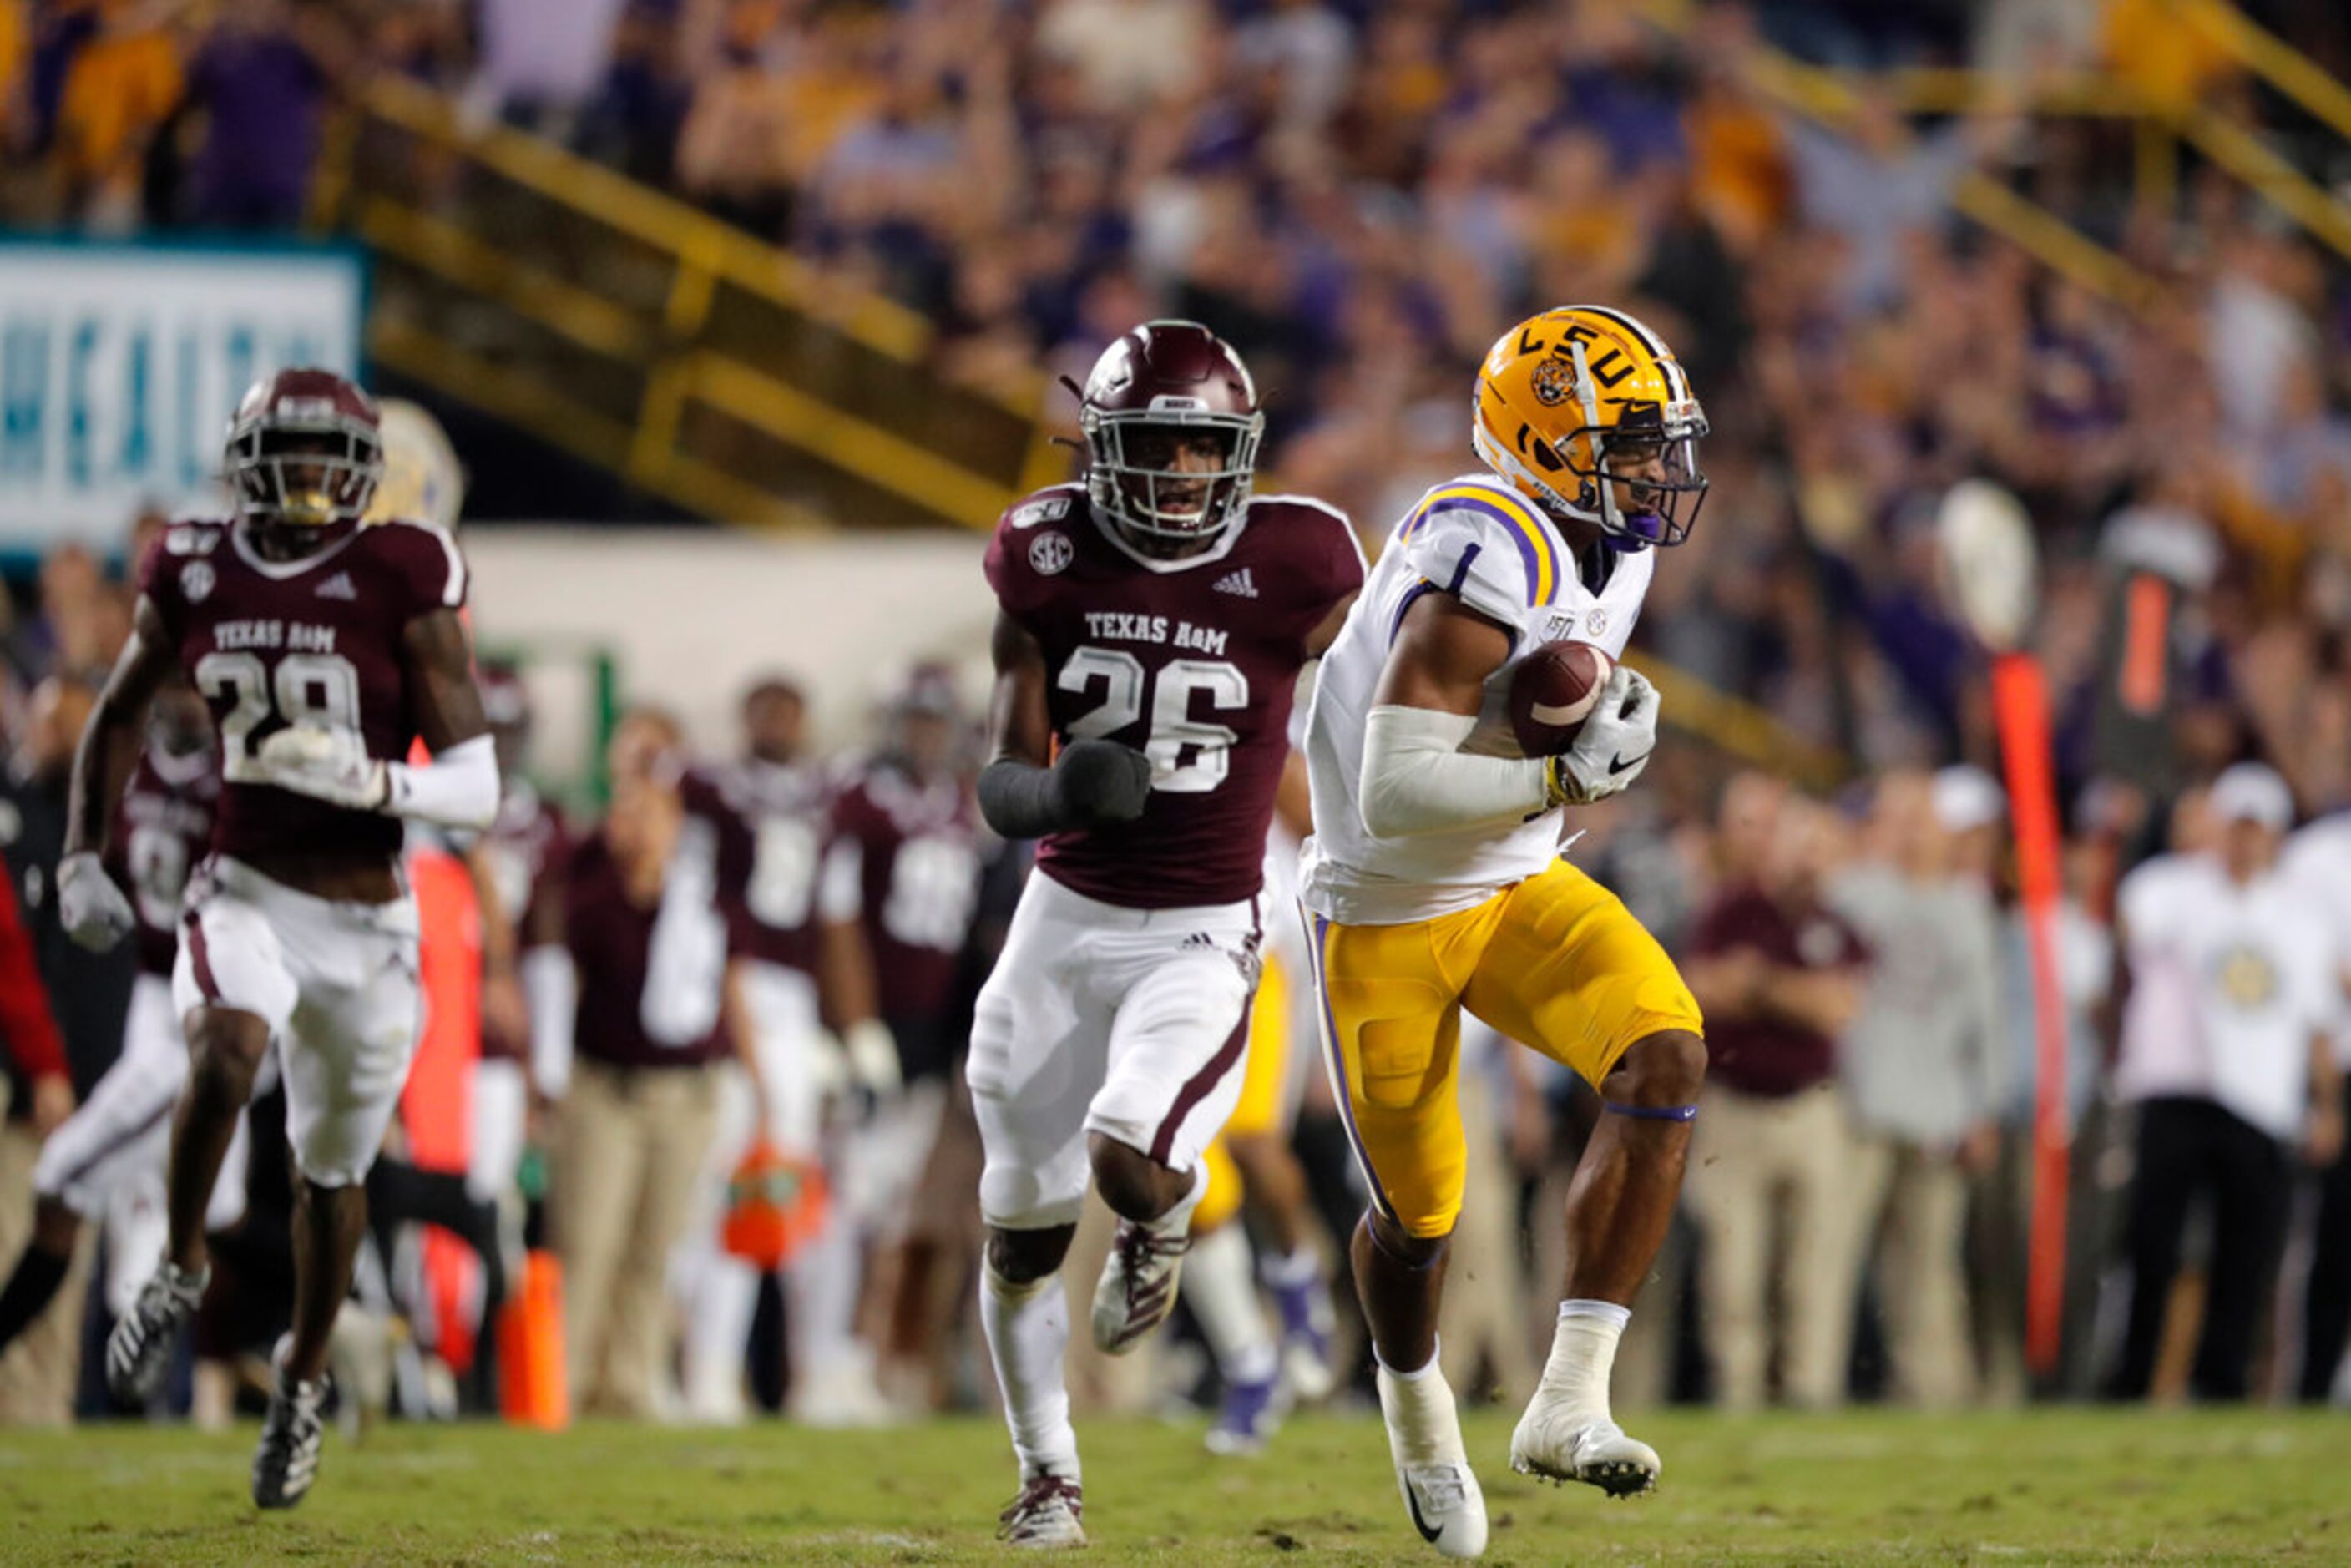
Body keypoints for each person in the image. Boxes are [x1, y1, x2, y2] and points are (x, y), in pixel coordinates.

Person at [1297, 306, 1711, 1558]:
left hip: (1518, 884)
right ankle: (1418, 1409)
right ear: (1544, 439)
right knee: (1420, 1224)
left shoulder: (1611, 541)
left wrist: (1570, 754)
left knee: (1668, 1054)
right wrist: (1566, 776)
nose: (1654, 470)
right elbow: (1397, 788)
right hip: (1389, 909)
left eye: (1660, 442)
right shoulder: (1487, 543)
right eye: (1630, 443)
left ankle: (1569, 1400)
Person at [58, 368, 495, 1505]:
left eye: (322, 458)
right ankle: (180, 1261)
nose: (305, 480)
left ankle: (301, 1374)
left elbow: (478, 785)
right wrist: (79, 854)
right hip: (245, 885)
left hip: (368, 915)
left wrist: (362, 775)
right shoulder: (199, 562)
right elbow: (116, 712)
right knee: (226, 1044)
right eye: (285, 456)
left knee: (331, 1176)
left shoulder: (403, 570)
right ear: (248, 462)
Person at [971, 320, 1362, 1547]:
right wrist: (1064, 790)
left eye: (1206, 446)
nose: (1186, 471)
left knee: (1129, 1147)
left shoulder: (1303, 559)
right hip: (1063, 912)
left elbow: (1394, 687)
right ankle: (1049, 1473)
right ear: (1103, 448)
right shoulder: (1046, 552)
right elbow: (997, 783)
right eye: (1160, 444)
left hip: (1202, 923)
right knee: (1020, 1228)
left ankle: (1164, 1213)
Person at [0, 686, 240, 1366]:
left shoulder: (241, 772)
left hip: (206, 1012)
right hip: (145, 1004)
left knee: (63, 1177)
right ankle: (345, 1323)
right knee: (216, 1217)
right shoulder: (125, 761)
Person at [2107, 762, 2344, 1401]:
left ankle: (2223, 1382)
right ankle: (2133, 1378)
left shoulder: (2301, 918)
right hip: (2177, 1085)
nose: (2245, 842)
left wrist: (2325, 1106)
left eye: (2257, 829)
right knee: (2152, 1245)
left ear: (2275, 836)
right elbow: (2129, 929)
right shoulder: (2171, 886)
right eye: (2235, 827)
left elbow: (2319, 1024)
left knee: (2246, 1257)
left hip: (2261, 1101)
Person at [817, 663, 985, 1415]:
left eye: (934, 721)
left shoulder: (958, 803)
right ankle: (829, 1361)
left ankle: (865, 1362)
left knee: (893, 1211)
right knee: (848, 1204)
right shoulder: (861, 798)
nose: (925, 735)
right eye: (914, 721)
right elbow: (837, 915)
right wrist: (856, 1025)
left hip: (930, 1033)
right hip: (873, 1024)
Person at [1682, 781, 1867, 1413]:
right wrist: (1792, 994)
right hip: (1733, 1108)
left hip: (1813, 1108)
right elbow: (1700, 990)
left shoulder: (1829, 919)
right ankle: (1739, 1391)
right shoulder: (1727, 910)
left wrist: (1758, 983)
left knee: (1816, 1266)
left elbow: (1835, 1007)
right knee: (1734, 1268)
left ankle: (1810, 1389)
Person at [1828, 769, 2005, 1408]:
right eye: (1899, 818)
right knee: (1834, 1261)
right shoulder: (1852, 893)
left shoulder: (1968, 905)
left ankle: (1934, 1394)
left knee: (1928, 1271)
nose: (1912, 831)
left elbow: (1983, 1019)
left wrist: (1981, 1109)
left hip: (1938, 1111)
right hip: (1861, 1106)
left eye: (1922, 819)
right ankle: (1811, 1386)